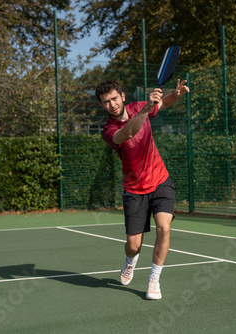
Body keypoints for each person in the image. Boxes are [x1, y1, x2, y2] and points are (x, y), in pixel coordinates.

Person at [96, 79, 189, 300]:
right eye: (106, 102)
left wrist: (176, 95)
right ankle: (130, 261)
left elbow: (163, 104)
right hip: (135, 190)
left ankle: (154, 279)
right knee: (133, 245)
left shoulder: (139, 107)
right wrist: (148, 107)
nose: (112, 105)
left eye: (114, 99)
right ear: (102, 105)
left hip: (160, 180)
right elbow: (127, 134)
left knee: (164, 228)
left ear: (123, 96)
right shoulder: (108, 130)